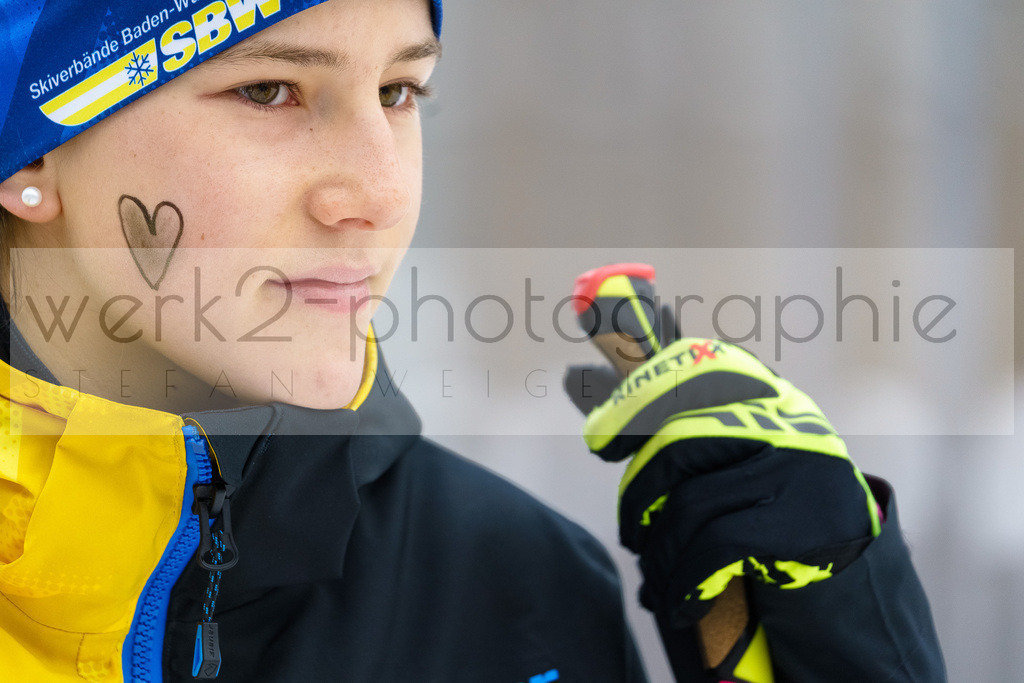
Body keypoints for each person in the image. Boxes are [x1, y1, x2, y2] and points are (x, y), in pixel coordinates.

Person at [0, 1, 945, 681]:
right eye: (270, 90)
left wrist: (848, 645)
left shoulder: (514, 587)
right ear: (33, 150)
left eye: (401, 92)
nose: (377, 194)